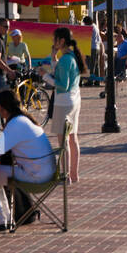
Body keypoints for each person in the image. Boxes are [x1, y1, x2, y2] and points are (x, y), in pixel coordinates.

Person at [0, 90, 57, 231]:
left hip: (37, 176)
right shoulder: (23, 120)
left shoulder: (16, 123)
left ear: (2, 108)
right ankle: (3, 216)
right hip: (45, 171)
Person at [38, 27, 82, 184]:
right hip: (75, 99)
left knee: (63, 141)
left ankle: (66, 175)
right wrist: (53, 57)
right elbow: (61, 71)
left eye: (54, 39)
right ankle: (74, 174)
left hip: (63, 102)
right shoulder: (71, 56)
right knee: (72, 137)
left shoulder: (65, 59)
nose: (53, 41)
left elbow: (62, 84)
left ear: (61, 41)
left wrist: (45, 76)